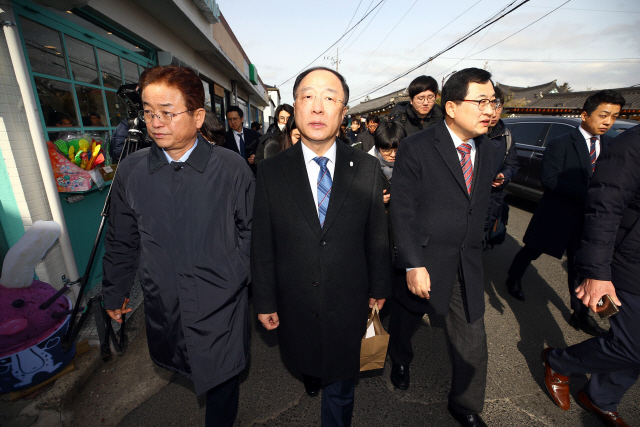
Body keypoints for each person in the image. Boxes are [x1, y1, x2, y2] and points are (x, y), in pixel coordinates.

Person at [101, 65, 254, 427]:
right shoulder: (132, 171)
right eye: (149, 112)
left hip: (222, 299)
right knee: (184, 360)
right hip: (164, 297)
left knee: (222, 377)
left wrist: (237, 274)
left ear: (198, 116)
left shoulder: (230, 168)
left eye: (168, 113)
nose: (156, 122)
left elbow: (253, 231)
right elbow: (122, 238)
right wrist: (114, 292)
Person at [251, 66, 392, 427]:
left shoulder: (366, 167)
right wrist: (264, 299)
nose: (318, 107)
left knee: (342, 389)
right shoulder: (270, 171)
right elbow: (263, 242)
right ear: (295, 107)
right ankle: (313, 370)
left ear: (343, 113)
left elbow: (377, 233)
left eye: (330, 98)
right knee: (307, 360)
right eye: (308, 97)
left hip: (350, 299)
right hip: (295, 299)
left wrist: (379, 288)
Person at [389, 68, 499, 427]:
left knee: (473, 335)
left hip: (466, 262)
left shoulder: (491, 148)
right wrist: (412, 263)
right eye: (480, 101)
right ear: (451, 107)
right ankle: (401, 359)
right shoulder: (416, 147)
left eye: (493, 101)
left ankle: (465, 406)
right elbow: (403, 209)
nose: (489, 109)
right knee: (406, 320)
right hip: (425, 259)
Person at [542, 124, 640, 427]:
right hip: (630, 260)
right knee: (632, 344)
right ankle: (559, 362)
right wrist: (596, 272)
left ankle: (601, 397)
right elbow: (604, 206)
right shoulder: (634, 143)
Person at [504, 90, 626, 335]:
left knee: (580, 267)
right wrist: (592, 191)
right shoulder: (561, 143)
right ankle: (513, 278)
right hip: (557, 214)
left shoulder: (612, 147)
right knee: (532, 250)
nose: (608, 122)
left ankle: (579, 314)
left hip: (589, 220)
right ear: (584, 115)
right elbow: (550, 180)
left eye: (613, 117)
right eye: (603, 115)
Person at [484, 85, 519, 246]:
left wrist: (504, 176)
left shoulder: (506, 135)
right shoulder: (469, 133)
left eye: (498, 106)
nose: (494, 111)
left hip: (492, 200)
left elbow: (512, 164)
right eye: (489, 105)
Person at [367, 120, 406, 259]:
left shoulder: (412, 165)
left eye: (397, 149)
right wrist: (374, 201)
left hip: (406, 233)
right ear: (378, 148)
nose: (393, 155)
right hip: (381, 236)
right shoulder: (367, 167)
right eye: (386, 150)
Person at [223, 106, 261, 174]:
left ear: (242, 119)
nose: (233, 122)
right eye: (229, 119)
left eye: (235, 119)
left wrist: (256, 157)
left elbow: (263, 149)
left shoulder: (253, 134)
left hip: (253, 174)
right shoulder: (224, 138)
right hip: (234, 175)